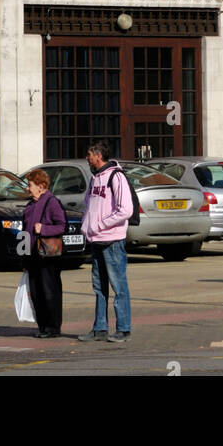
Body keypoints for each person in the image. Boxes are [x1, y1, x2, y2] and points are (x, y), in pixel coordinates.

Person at [78, 140, 133, 345]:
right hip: (97, 241)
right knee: (99, 288)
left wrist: (100, 225)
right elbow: (88, 205)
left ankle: (123, 329)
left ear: (98, 155)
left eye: (89, 155)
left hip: (112, 242)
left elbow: (126, 210)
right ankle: (100, 328)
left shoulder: (116, 177)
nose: (87, 158)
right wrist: (87, 226)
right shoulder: (94, 179)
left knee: (119, 286)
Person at [21, 168, 67, 338]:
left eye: (30, 185)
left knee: (50, 292)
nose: (27, 188)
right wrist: (23, 257)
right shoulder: (30, 205)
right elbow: (25, 231)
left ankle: (53, 328)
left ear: (41, 186)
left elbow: (62, 226)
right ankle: (42, 327)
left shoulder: (52, 202)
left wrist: (44, 229)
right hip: (32, 256)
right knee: (36, 293)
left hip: (48, 257)